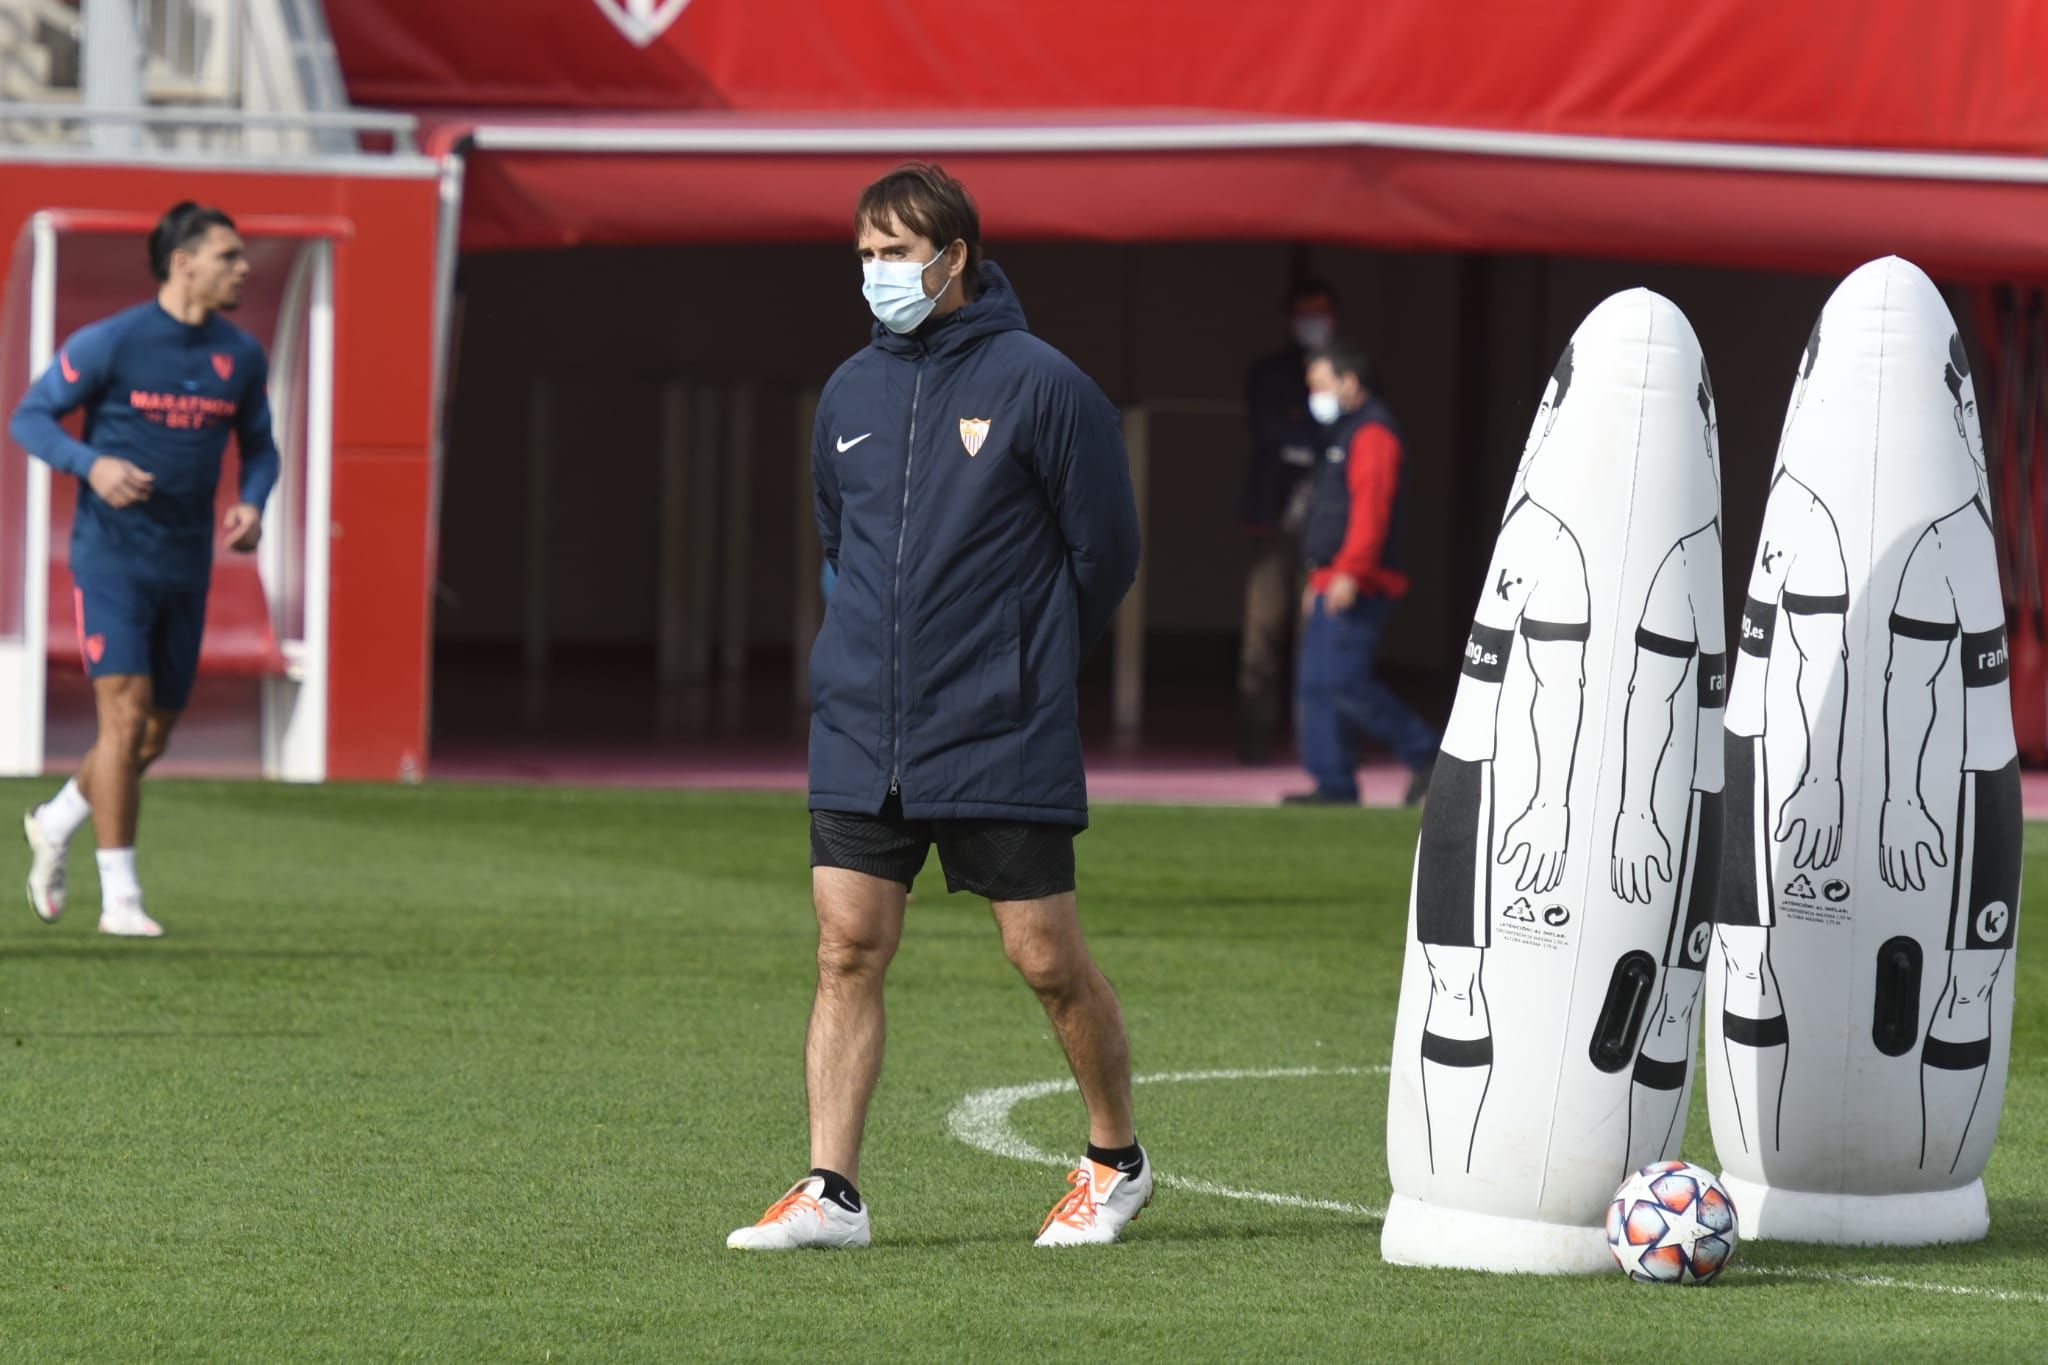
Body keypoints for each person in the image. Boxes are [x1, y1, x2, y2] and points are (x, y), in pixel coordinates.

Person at [728, 163, 1145, 1251]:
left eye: (898, 254)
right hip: (863, 722)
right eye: (864, 255)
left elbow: (1106, 551)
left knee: (1044, 958)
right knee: (845, 948)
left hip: (997, 722)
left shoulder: (1042, 383)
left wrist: (1022, 659)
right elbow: (839, 547)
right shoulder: (847, 393)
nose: (878, 275)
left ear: (953, 258)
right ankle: (831, 1191)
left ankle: (1113, 1162)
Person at [13, 202, 276, 939]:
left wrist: (253, 502)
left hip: (186, 564)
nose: (243, 267)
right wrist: (90, 463)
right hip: (112, 562)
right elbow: (30, 416)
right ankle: (121, 899)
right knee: (123, 724)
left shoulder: (241, 354)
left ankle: (57, 817)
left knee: (149, 738)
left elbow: (261, 446)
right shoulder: (113, 341)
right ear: (183, 262)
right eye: (229, 255)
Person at [1282, 340, 1439, 807]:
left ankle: (1426, 751)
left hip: (1359, 583)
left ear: (1350, 382)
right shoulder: (1345, 432)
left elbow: (1371, 511)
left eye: (1321, 384)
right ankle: (1333, 783)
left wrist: (1349, 573)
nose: (1315, 394)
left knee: (1342, 681)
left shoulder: (1372, 434)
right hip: (1331, 579)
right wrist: (1323, 578)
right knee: (1316, 683)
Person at [1235, 281, 1337, 764]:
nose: (1313, 321)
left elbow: (1350, 433)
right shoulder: (1269, 372)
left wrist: (1314, 444)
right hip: (1274, 520)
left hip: (1328, 525)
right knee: (1262, 635)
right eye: (1305, 311)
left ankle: (1314, 748)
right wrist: (1314, 444)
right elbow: (1272, 430)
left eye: (1321, 312)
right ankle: (1254, 743)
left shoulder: (1349, 370)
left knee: (1317, 638)